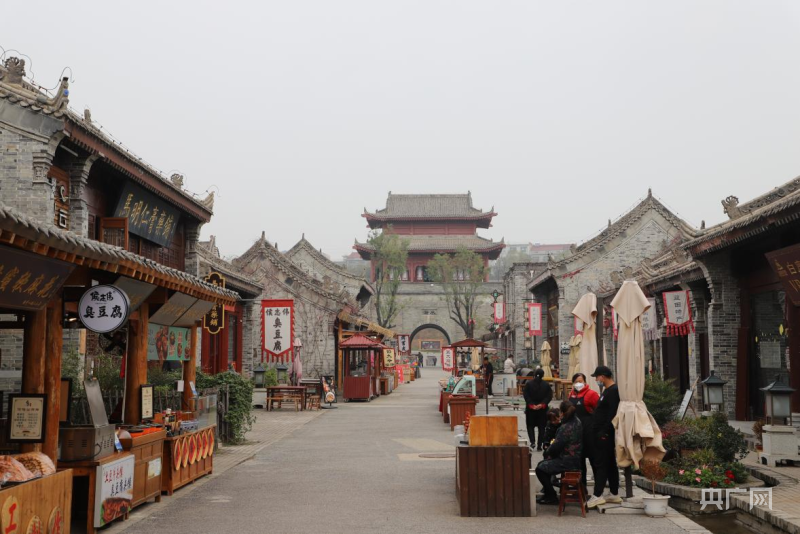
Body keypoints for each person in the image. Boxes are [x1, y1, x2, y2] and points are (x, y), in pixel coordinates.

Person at [535, 401, 583, 505]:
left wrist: (547, 451)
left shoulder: (565, 427)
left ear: (562, 413)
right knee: (543, 464)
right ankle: (548, 493)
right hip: (576, 458)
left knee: (540, 469)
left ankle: (551, 495)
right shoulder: (577, 421)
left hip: (567, 460)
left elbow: (556, 446)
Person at [587, 365, 622, 508]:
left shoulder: (613, 391)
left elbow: (612, 413)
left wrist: (604, 431)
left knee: (601, 463)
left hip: (604, 433)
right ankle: (614, 492)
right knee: (610, 463)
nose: (596, 379)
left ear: (602, 376)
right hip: (601, 431)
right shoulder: (607, 390)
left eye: (597, 377)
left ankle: (597, 495)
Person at [568, 372, 600, 495]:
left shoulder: (591, 394)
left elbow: (599, 411)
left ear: (585, 382)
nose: (578, 384)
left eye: (580, 381)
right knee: (579, 461)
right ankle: (582, 489)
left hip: (589, 431)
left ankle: (598, 489)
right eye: (576, 381)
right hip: (576, 432)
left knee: (593, 460)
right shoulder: (571, 394)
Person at [523, 368, 552, 450]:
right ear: (543, 375)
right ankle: (539, 445)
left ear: (534, 374)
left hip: (531, 409)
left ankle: (532, 442)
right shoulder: (546, 385)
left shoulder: (528, 384)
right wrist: (542, 404)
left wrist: (531, 404)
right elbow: (549, 396)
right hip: (542, 410)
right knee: (542, 427)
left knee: (530, 426)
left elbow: (526, 395)